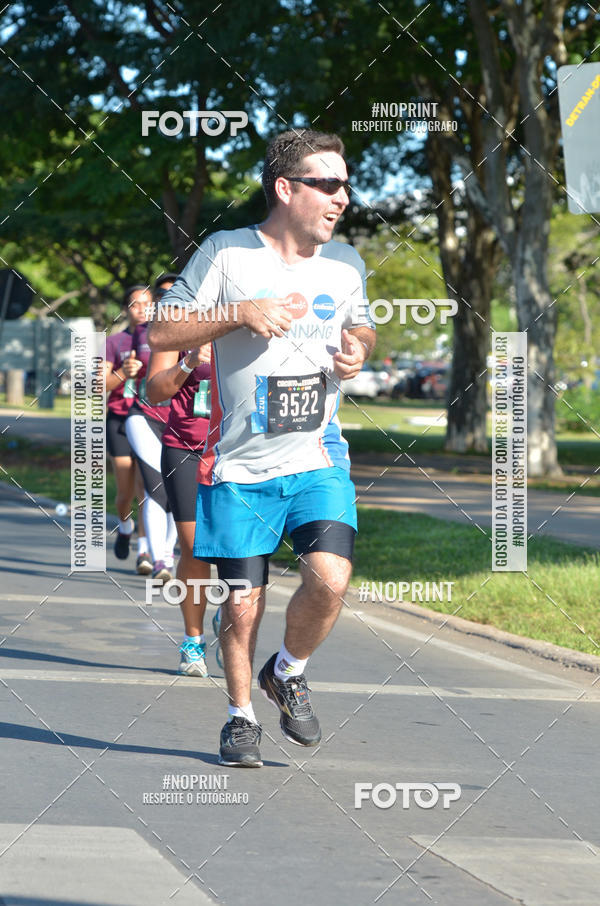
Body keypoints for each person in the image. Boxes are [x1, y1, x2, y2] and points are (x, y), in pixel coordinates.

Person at [149, 129, 375, 768]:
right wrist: (237, 313)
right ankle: (240, 717)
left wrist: (359, 350)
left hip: (317, 451)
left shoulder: (347, 263)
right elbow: (163, 326)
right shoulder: (226, 253)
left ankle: (290, 670)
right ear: (286, 188)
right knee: (243, 603)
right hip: (238, 462)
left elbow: (361, 326)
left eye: (345, 186)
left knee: (330, 578)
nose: (342, 198)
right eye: (327, 185)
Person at [146, 344, 213, 676]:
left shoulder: (254, 317)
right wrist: (190, 360)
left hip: (239, 452)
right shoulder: (179, 319)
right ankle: (193, 640)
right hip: (185, 448)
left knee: (237, 550)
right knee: (195, 547)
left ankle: (230, 614)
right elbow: (155, 390)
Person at [125, 286, 177, 582]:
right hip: (143, 416)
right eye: (164, 298)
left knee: (178, 493)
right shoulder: (142, 333)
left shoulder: (199, 332)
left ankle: (167, 556)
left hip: (183, 422)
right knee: (156, 488)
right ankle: (157, 559)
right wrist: (126, 369)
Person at [102, 285, 152, 574]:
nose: (142, 309)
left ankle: (144, 550)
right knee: (125, 493)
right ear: (126, 309)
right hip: (120, 418)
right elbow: (101, 385)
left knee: (146, 489)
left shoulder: (159, 339)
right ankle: (124, 526)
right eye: (135, 304)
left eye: (147, 303)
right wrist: (123, 372)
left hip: (148, 419)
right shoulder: (114, 342)